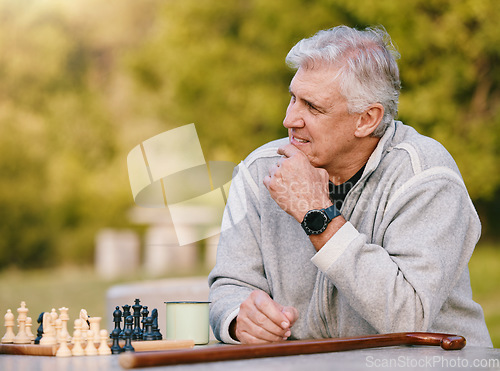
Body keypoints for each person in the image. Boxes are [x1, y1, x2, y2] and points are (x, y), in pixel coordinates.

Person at [208, 25, 492, 347]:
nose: (290, 119)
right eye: (293, 98)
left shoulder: (426, 177)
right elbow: (229, 285)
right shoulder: (256, 171)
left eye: (312, 107)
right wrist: (237, 320)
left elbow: (408, 316)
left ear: (366, 119)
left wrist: (316, 214)